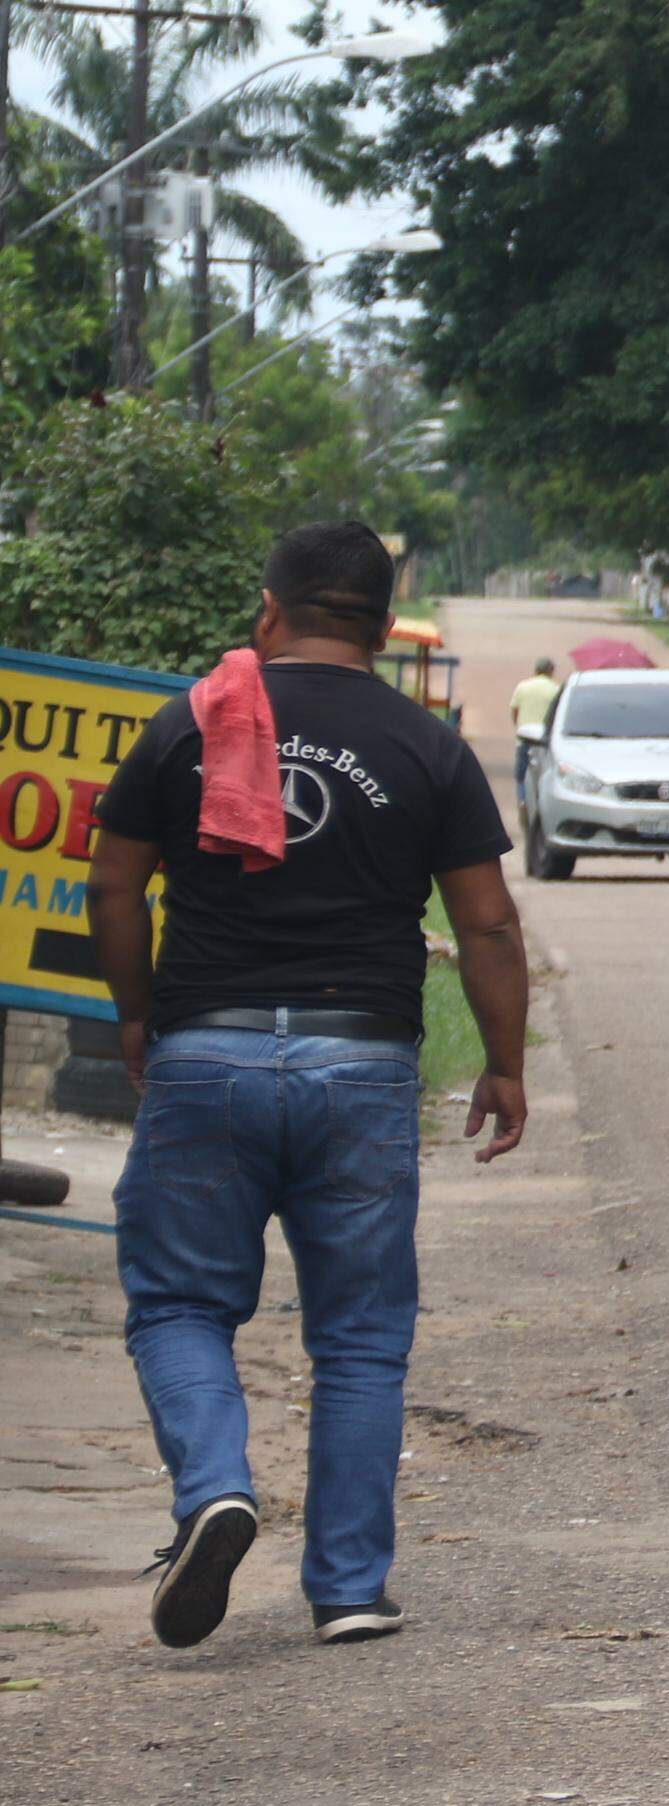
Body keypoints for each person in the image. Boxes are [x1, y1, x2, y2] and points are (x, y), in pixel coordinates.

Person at [85, 521, 531, 1651]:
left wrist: (138, 1013)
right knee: (363, 1339)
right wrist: (505, 1061)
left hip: (207, 1055)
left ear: (268, 610)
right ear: (383, 631)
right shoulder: (423, 742)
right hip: (361, 1062)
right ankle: (346, 1587)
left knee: (183, 1306)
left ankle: (216, 1491)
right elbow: (484, 921)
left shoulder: (187, 723)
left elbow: (115, 885)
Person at [508, 657, 562, 798]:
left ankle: (523, 802)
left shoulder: (523, 686)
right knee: (544, 779)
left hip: (525, 739)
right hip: (545, 742)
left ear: (536, 670)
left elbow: (515, 711)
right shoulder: (556, 689)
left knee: (522, 777)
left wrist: (519, 727)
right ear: (551, 670)